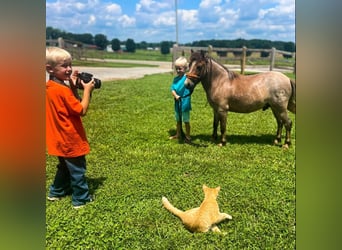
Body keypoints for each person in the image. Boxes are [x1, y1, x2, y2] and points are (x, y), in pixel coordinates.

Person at [45, 46, 95, 209]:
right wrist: (87, 90)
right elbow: (81, 110)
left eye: (70, 65)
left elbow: (68, 105)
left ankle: (56, 192)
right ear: (50, 69)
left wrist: (73, 87)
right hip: (70, 138)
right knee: (78, 170)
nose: (69, 69)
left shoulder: (50, 88)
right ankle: (81, 199)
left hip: (58, 139)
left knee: (65, 167)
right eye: (64, 66)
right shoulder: (62, 91)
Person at [169, 56, 192, 143]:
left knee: (186, 121)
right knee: (178, 120)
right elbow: (172, 89)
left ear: (185, 68)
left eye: (180, 68)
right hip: (177, 103)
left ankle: (188, 136)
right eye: (176, 69)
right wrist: (176, 96)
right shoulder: (175, 79)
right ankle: (178, 134)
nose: (178, 70)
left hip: (185, 103)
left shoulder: (187, 77)